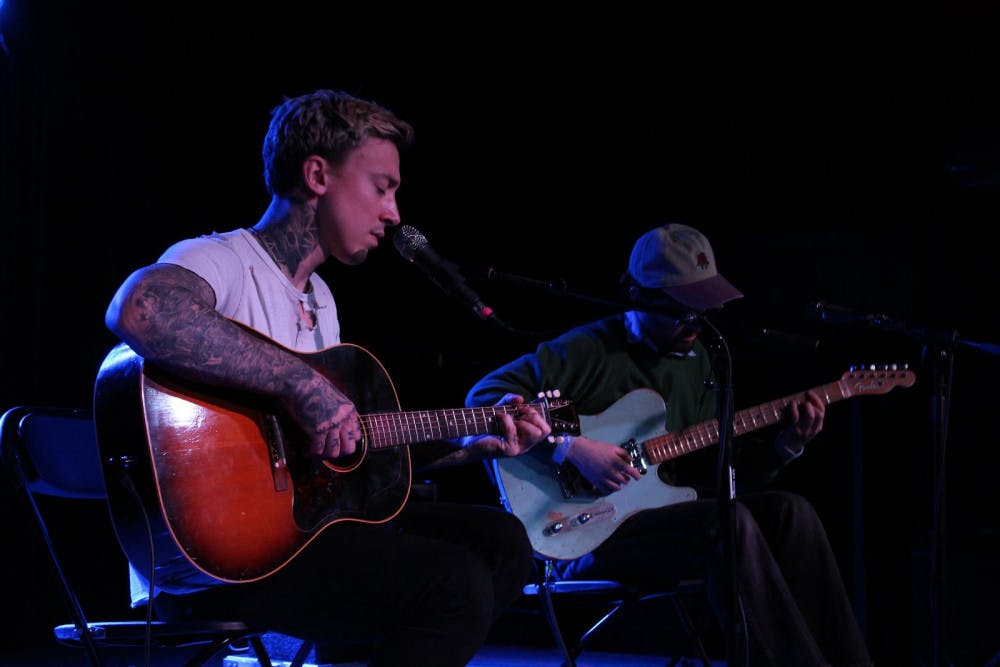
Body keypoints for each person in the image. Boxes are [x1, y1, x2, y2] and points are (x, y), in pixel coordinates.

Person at [103, 89, 551, 666]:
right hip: (216, 561)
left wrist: (468, 444)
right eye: (382, 187)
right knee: (452, 582)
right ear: (318, 174)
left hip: (307, 532)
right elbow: (143, 309)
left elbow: (341, 452)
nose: (393, 212)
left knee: (502, 543)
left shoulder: (322, 300)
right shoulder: (222, 259)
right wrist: (300, 383)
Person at [463, 223, 874, 666]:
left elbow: (710, 479)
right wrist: (572, 448)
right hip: (584, 529)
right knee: (727, 526)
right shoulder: (590, 350)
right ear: (638, 296)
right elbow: (485, 399)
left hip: (660, 516)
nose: (693, 322)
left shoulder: (701, 363)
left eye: (701, 307)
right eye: (680, 307)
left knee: (791, 512)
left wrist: (785, 446)